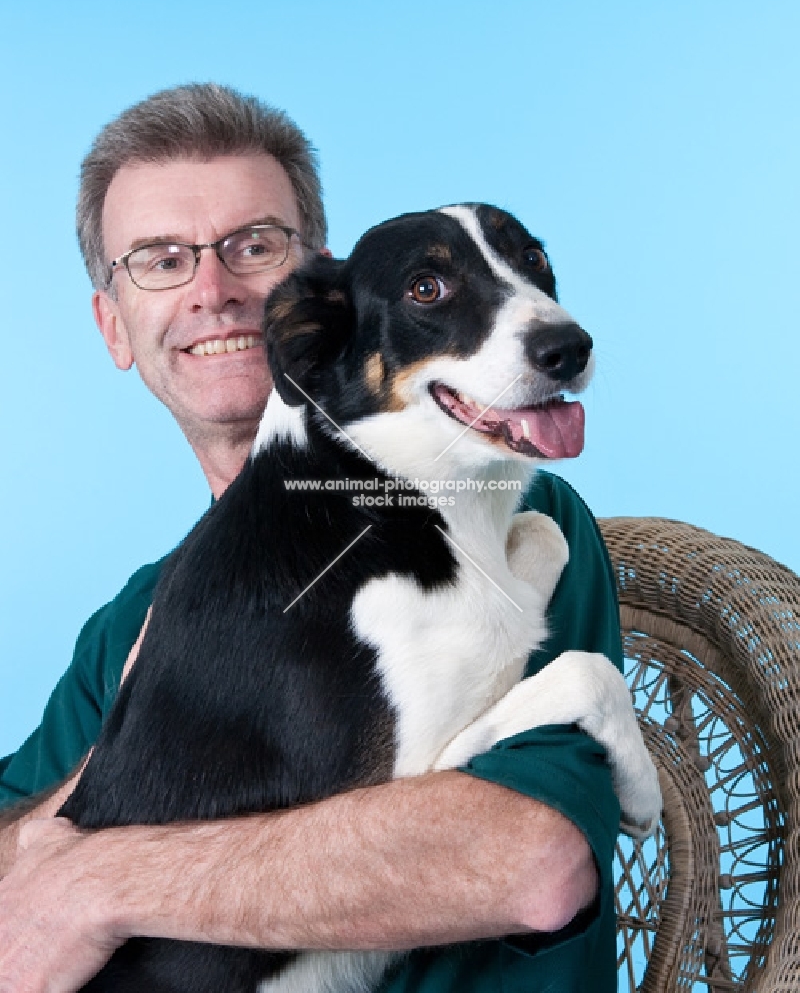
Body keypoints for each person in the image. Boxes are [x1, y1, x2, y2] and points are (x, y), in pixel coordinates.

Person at [0, 83, 623, 992]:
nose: (214, 292)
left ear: (328, 295)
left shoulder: (507, 515)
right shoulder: (129, 623)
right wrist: (128, 752)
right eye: (160, 260)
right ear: (113, 326)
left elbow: (526, 862)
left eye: (253, 246)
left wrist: (94, 884)